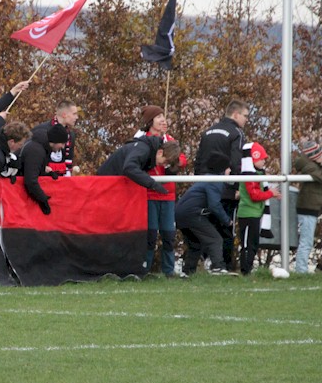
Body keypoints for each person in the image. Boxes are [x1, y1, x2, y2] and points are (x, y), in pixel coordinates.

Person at [194, 99, 249, 271]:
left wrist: (198, 184)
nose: (247, 120)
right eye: (245, 116)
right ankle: (224, 266)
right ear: (236, 114)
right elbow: (236, 163)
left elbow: (198, 161)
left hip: (203, 187)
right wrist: (234, 188)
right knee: (226, 228)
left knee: (207, 227)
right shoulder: (237, 133)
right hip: (225, 190)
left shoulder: (208, 132)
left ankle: (205, 263)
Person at [132, 105, 187, 277]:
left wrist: (171, 159)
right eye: (158, 117)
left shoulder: (168, 139)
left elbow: (182, 159)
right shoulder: (142, 140)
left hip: (168, 195)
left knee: (169, 235)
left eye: (163, 116)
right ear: (150, 121)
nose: (163, 119)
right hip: (148, 195)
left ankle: (169, 271)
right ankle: (144, 270)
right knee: (149, 236)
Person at [175, 153, 236, 276]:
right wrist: (227, 220)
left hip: (180, 214)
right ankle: (217, 267)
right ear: (222, 169)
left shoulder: (205, 179)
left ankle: (187, 272)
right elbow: (214, 205)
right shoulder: (215, 181)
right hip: (193, 215)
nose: (230, 170)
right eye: (228, 168)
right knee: (215, 239)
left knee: (195, 243)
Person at [293, 141, 322, 274]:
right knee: (306, 242)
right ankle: (301, 271)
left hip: (310, 207)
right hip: (308, 208)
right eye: (321, 154)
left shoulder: (312, 166)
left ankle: (301, 270)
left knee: (306, 241)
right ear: (314, 156)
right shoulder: (310, 167)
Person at [237, 142, 281, 275]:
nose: (263, 161)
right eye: (261, 159)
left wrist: (272, 194)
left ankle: (248, 269)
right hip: (247, 214)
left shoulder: (258, 174)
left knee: (253, 245)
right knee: (247, 245)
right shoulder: (249, 175)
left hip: (255, 214)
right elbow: (254, 195)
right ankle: (245, 271)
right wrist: (270, 193)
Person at [96, 136, 180, 193]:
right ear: (160, 152)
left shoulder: (148, 152)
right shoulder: (143, 149)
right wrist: (153, 184)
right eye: (165, 162)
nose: (163, 165)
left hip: (110, 184)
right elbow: (129, 168)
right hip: (104, 184)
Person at [18, 123, 70, 215]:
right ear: (54, 141)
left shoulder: (42, 147)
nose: (62, 147)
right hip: (17, 197)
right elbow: (30, 181)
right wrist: (43, 200)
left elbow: (33, 169)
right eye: (61, 143)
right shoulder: (36, 151)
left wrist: (46, 173)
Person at [33, 100, 80, 176]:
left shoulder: (71, 135)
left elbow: (68, 159)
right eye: (74, 114)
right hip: (42, 178)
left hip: (61, 180)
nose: (76, 117)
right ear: (64, 114)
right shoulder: (41, 131)